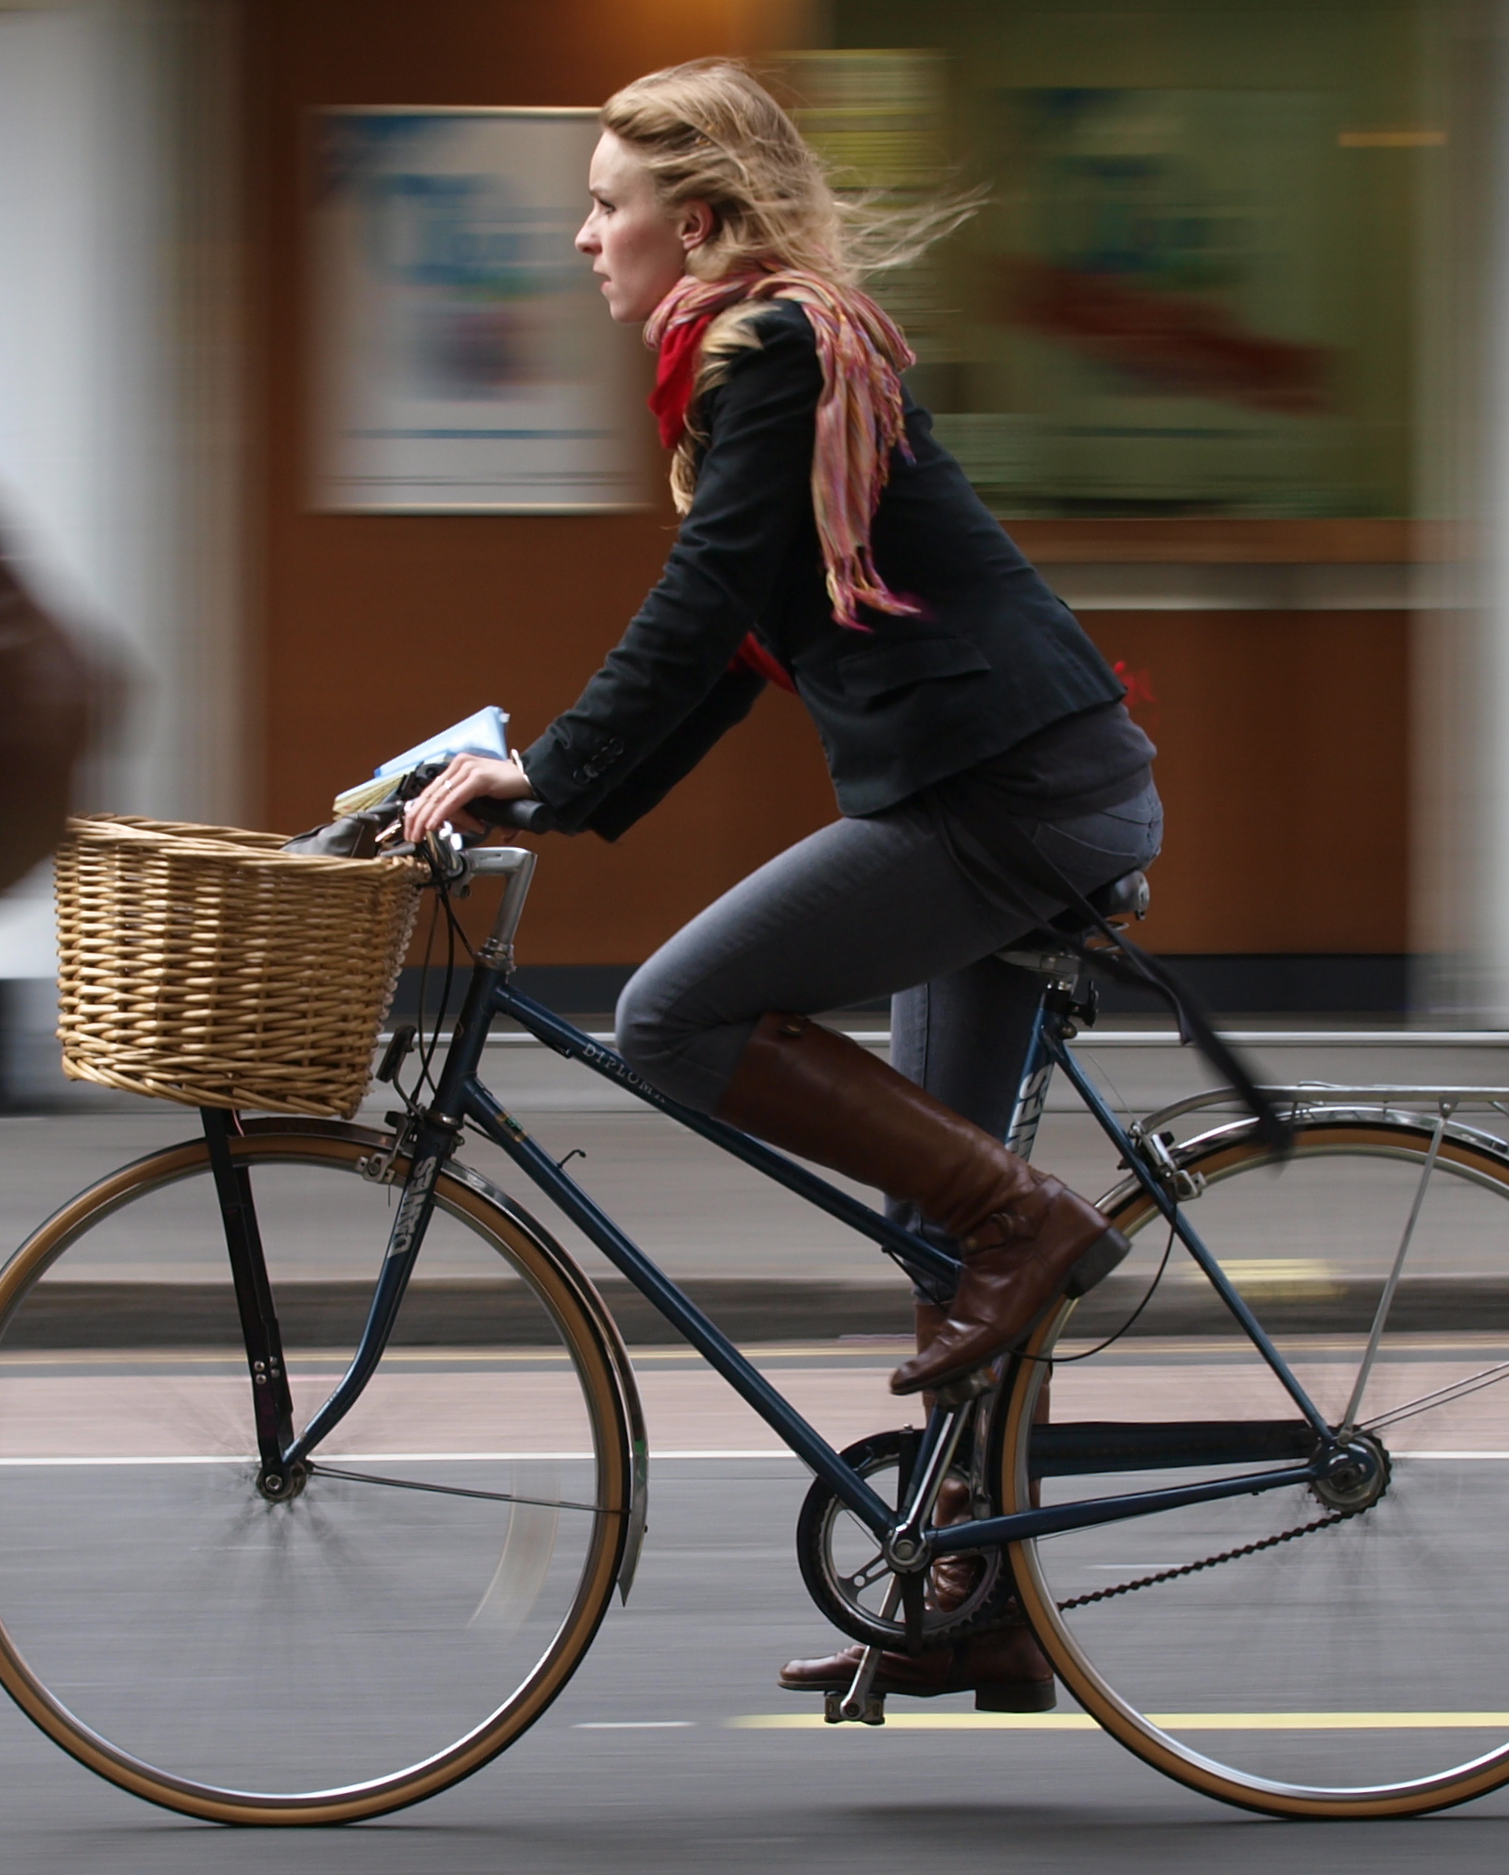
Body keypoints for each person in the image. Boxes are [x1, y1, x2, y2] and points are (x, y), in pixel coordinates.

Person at [399, 59, 1161, 1711]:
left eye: (603, 206)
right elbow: (741, 647)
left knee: (672, 1017)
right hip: (1008, 787)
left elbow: (698, 607)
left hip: (1001, 802)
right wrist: (564, 789)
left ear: (693, 219)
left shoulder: (781, 349)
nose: (579, 237)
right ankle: (987, 1598)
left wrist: (548, 772)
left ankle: (1032, 1236)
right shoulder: (768, 358)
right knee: (937, 1217)